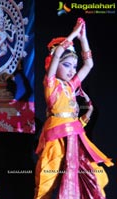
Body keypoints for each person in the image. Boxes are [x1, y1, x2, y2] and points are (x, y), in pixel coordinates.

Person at [34, 18, 114, 199]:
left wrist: (83, 38)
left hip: (75, 138)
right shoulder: (51, 84)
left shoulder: (71, 86)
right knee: (48, 177)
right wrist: (73, 34)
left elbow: (89, 65)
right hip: (57, 138)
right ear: (52, 64)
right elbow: (57, 55)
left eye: (73, 66)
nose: (72, 71)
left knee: (93, 174)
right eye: (67, 65)